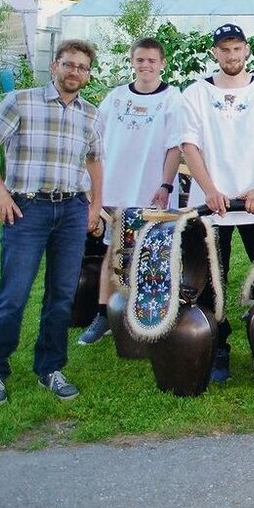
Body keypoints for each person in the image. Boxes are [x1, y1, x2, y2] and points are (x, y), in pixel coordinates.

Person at [0, 39, 104, 404]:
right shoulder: (20, 101)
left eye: (82, 67)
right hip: (27, 209)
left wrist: (96, 206)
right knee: (13, 296)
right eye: (69, 64)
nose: (75, 71)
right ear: (54, 66)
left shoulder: (90, 114)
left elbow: (95, 161)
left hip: (72, 210)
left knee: (62, 295)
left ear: (88, 74)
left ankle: (50, 368)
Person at [177, 23, 254, 382]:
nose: (231, 55)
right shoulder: (195, 94)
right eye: (224, 49)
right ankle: (217, 347)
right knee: (210, 283)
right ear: (215, 53)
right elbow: (189, 146)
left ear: (246, 51)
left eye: (237, 48)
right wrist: (209, 190)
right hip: (212, 205)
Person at [79, 37, 182, 346]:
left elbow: (175, 146)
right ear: (132, 62)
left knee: (156, 254)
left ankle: (154, 318)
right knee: (113, 254)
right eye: (140, 59)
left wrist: (165, 184)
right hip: (115, 190)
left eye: (152, 60)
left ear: (162, 63)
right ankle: (103, 316)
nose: (146, 65)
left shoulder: (173, 99)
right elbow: (93, 141)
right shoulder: (115, 98)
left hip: (153, 191)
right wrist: (93, 188)